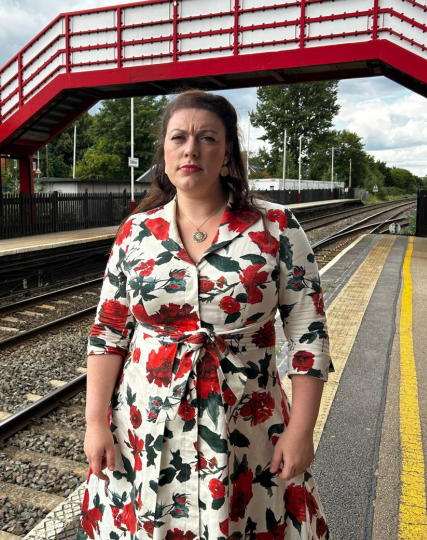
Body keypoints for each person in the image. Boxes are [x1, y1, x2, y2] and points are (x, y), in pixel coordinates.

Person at [81, 90, 334, 539]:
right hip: (145, 422)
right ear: (164, 151)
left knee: (245, 521)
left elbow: (308, 335)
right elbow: (109, 332)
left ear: (228, 152)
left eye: (207, 138)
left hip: (247, 423)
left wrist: (302, 430)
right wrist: (95, 422)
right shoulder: (137, 233)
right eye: (178, 137)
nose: (191, 149)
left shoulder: (276, 227)